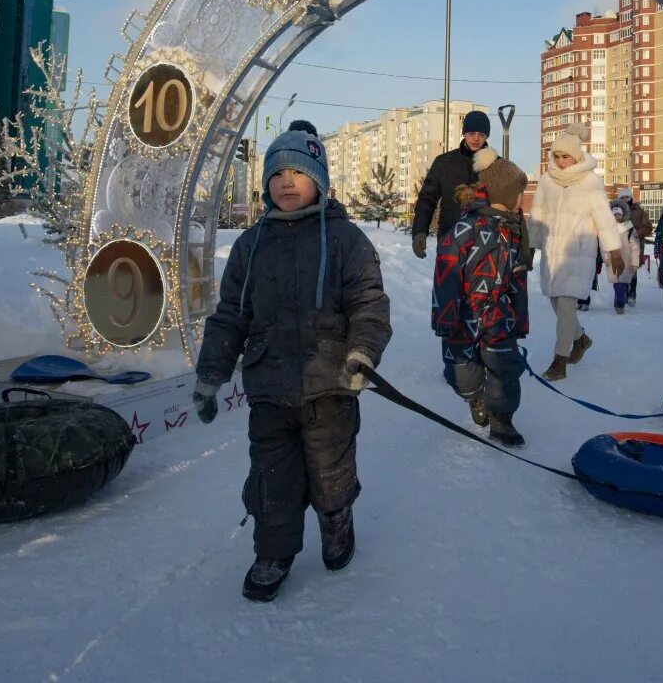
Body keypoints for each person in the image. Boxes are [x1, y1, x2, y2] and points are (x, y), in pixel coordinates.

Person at [192, 120, 392, 603]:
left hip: (330, 384)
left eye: (297, 172)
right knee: (271, 476)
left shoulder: (345, 240)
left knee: (330, 469)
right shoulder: (249, 245)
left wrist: (361, 353)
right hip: (269, 386)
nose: (286, 181)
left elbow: (369, 302)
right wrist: (210, 373)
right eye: (276, 173)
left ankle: (336, 519)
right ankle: (273, 552)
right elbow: (229, 316)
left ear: (319, 180)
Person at [432, 149, 531, 447]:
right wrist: (445, 318)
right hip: (464, 315)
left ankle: (502, 420)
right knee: (461, 374)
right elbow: (446, 273)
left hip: (498, 314)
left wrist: (520, 319)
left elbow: (517, 277)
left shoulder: (513, 230)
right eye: (519, 194)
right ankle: (474, 398)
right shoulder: (465, 229)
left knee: (506, 369)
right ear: (503, 193)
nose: (522, 201)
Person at [529, 123, 623, 381]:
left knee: (567, 305)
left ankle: (560, 360)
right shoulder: (547, 180)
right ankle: (581, 339)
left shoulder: (590, 181)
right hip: (552, 251)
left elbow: (603, 216)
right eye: (557, 156)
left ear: (577, 156)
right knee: (556, 303)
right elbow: (537, 214)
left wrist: (614, 250)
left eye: (566, 156)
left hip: (578, 252)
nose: (560, 162)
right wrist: (530, 247)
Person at [411, 110, 492, 258]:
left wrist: (525, 246)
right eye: (471, 133)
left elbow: (510, 203)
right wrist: (419, 231)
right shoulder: (444, 162)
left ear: (487, 136)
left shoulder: (495, 165)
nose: (476, 138)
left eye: (481, 134)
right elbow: (427, 198)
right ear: (464, 133)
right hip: (450, 239)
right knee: (448, 281)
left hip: (485, 243)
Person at [615, 187, 653, 307]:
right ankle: (623, 294)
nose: (625, 199)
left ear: (631, 198)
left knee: (633, 270)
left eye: (627, 197)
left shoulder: (639, 211)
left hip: (635, 245)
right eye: (622, 197)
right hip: (620, 245)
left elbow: (648, 227)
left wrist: (636, 233)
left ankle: (632, 294)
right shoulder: (615, 211)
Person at [607, 202, 641, 315]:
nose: (616, 217)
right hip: (613, 260)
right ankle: (619, 301)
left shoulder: (629, 228)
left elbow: (635, 246)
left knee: (622, 283)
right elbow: (604, 245)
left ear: (623, 215)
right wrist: (606, 257)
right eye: (614, 214)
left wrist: (635, 262)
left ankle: (619, 303)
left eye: (618, 214)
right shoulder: (608, 229)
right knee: (617, 284)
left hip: (626, 261)